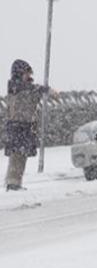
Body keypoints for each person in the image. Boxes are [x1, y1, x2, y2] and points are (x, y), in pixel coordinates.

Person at [5, 59, 54, 192]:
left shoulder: (28, 88)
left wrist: (41, 91)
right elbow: (27, 90)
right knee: (17, 155)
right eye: (26, 73)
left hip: (26, 126)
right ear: (19, 73)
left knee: (22, 155)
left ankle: (16, 182)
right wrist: (41, 89)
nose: (28, 76)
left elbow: (32, 99)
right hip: (17, 125)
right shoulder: (15, 87)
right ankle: (12, 183)